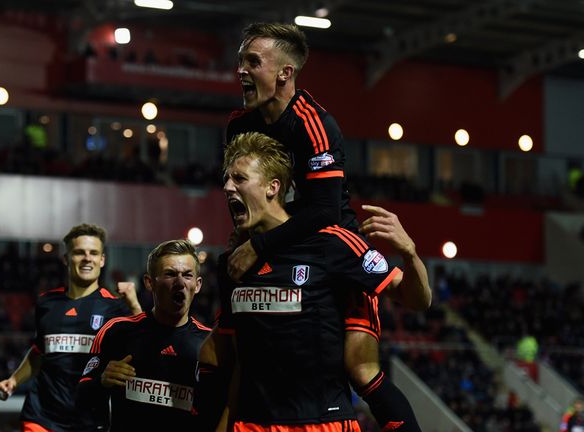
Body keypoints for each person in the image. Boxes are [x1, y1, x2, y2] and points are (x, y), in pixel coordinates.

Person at [225, 23, 424, 431]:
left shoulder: (314, 124)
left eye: (252, 62)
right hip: (275, 248)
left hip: (329, 251)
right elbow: (240, 194)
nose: (241, 71)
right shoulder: (239, 125)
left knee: (359, 368)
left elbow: (324, 212)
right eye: (240, 61)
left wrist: (259, 246)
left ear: (285, 72)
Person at [202, 132, 430, 431]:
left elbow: (417, 300)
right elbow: (239, 366)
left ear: (273, 187)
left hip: (321, 423)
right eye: (227, 179)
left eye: (240, 178)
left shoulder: (331, 243)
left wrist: (410, 254)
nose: (228, 186)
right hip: (252, 425)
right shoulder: (232, 263)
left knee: (366, 373)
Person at [0, 223, 142, 432]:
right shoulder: (46, 302)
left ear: (102, 260)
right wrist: (14, 380)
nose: (87, 258)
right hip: (40, 417)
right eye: (79, 252)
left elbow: (145, 346)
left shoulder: (115, 307)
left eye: (93, 253)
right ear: (66, 259)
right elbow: (39, 352)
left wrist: (135, 306)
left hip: (89, 421)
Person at [77, 239, 212, 432]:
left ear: (197, 285)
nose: (180, 282)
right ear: (149, 283)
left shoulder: (210, 343)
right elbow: (82, 398)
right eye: (170, 274)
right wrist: (102, 381)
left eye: (187, 275)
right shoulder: (117, 331)